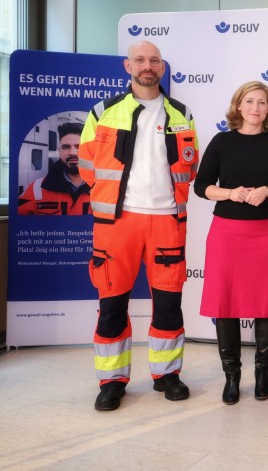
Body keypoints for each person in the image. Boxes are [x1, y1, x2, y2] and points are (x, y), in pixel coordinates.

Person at [78, 41, 198, 411]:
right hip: (117, 222)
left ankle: (167, 375)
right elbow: (86, 166)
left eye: (155, 60)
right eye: (141, 60)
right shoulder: (103, 112)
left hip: (167, 220)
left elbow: (191, 167)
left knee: (168, 304)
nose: (148, 66)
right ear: (127, 65)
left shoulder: (181, 113)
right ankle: (112, 381)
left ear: (162, 68)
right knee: (112, 303)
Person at [194, 81, 268, 404]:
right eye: (249, 101)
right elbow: (201, 186)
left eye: (262, 102)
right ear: (238, 106)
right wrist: (230, 193)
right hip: (227, 232)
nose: (255, 107)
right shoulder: (222, 142)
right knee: (225, 303)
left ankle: (262, 373)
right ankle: (232, 376)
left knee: (267, 302)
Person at [18, 122, 91, 215]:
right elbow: (19, 225)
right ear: (60, 151)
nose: (72, 152)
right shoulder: (36, 189)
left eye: (79, 146)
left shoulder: (106, 188)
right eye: (66, 147)